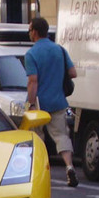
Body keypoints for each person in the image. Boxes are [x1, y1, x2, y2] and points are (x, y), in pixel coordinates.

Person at [25, 17, 79, 187]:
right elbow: (73, 73)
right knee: (61, 135)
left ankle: (41, 172)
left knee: (37, 138)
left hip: (40, 103)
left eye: (30, 30)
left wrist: (31, 103)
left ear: (34, 32)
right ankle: (69, 167)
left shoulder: (31, 54)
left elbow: (33, 81)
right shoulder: (60, 50)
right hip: (58, 101)